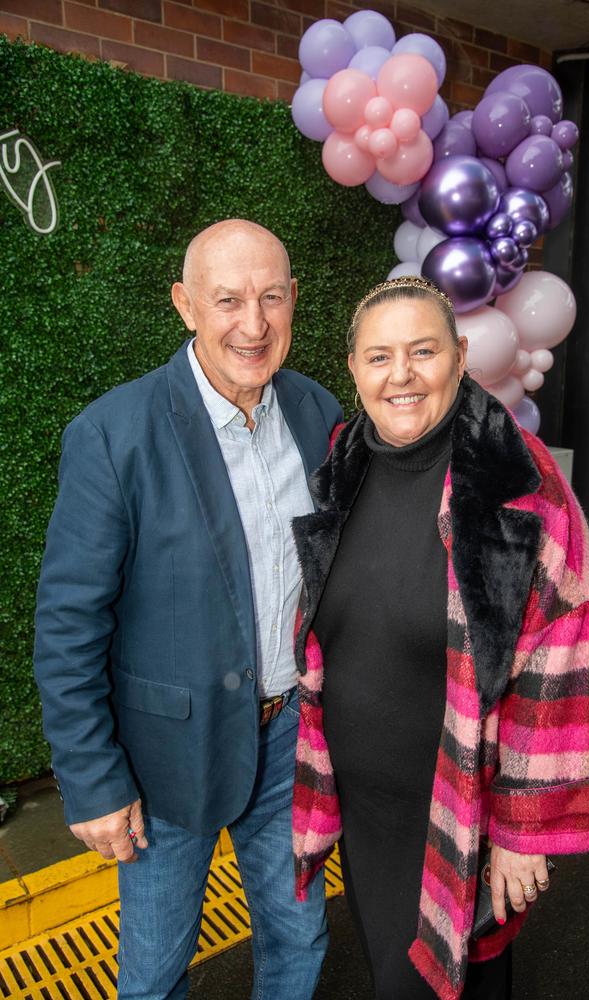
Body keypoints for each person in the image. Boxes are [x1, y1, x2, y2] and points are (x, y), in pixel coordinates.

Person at [33, 220, 342, 1000]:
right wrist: (94, 780)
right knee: (156, 970)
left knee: (298, 935)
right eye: (228, 299)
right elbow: (69, 624)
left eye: (272, 297)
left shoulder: (316, 412)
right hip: (163, 758)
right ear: (185, 305)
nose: (254, 322)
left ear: (295, 300)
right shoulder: (113, 434)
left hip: (290, 743)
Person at [291, 276, 589, 1000]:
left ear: (461, 356)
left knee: (448, 983)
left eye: (422, 351)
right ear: (353, 369)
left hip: (463, 805)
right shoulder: (345, 461)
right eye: (378, 357)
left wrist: (523, 830)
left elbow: (563, 651)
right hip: (368, 810)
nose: (399, 375)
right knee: (397, 973)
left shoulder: (517, 481)